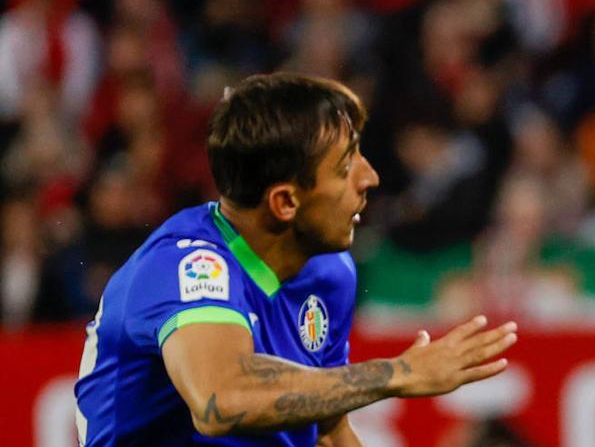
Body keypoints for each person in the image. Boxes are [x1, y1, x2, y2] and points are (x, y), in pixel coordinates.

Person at [74, 73, 518, 445]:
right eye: (345, 167)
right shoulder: (185, 267)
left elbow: (326, 429)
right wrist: (399, 373)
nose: (370, 177)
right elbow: (219, 400)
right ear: (285, 202)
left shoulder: (329, 270)